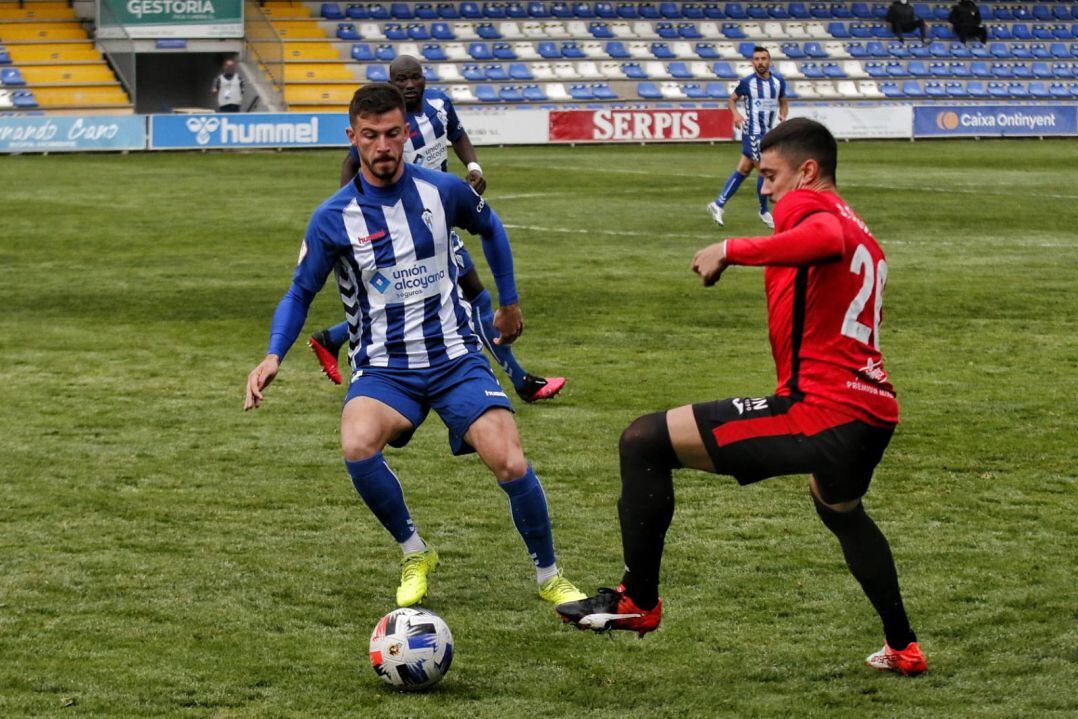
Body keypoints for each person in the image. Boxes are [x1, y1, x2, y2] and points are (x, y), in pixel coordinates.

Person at [559, 119, 927, 678]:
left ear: (808, 172)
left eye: (772, 175)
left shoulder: (811, 207)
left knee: (644, 440)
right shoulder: (860, 226)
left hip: (823, 410)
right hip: (872, 411)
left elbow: (825, 239)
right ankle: (903, 646)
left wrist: (730, 248)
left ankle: (638, 599)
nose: (766, 189)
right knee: (840, 511)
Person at [244, 83, 586, 611]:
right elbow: (299, 292)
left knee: (510, 461)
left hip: (455, 357)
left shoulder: (441, 190)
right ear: (352, 137)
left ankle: (549, 576)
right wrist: (273, 355)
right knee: (357, 444)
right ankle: (415, 550)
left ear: (406, 132)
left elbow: (491, 227)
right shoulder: (333, 218)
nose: (382, 146)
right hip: (385, 368)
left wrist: (509, 302)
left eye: (391, 134)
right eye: (370, 136)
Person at [308, 55, 566, 404]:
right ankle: (518, 381)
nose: (409, 85)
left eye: (414, 77)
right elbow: (351, 163)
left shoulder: (440, 107)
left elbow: (458, 135)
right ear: (391, 83)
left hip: (440, 217)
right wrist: (355, 214)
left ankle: (332, 338)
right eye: (401, 80)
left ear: (424, 78)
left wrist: (473, 166)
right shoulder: (390, 126)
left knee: (434, 298)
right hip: (410, 227)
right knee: (469, 298)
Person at [706, 47, 788, 230]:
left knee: (743, 169)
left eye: (763, 58)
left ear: (770, 61)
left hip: (768, 133)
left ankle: (718, 204)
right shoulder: (746, 83)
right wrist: (736, 115)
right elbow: (731, 100)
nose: (760, 62)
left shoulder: (778, 81)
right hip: (752, 132)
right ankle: (764, 211)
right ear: (753, 62)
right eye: (757, 59)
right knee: (765, 171)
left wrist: (783, 115)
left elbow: (783, 101)